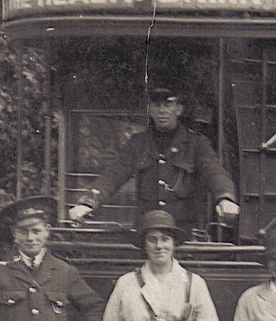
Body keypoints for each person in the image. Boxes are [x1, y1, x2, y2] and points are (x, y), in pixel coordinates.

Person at [69, 86, 239, 233]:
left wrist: (225, 198)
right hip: (147, 232)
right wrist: (88, 202)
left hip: (183, 233)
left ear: (179, 109)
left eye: (168, 105)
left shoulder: (196, 144)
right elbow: (114, 174)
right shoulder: (138, 143)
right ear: (150, 109)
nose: (162, 111)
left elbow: (214, 172)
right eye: (157, 105)